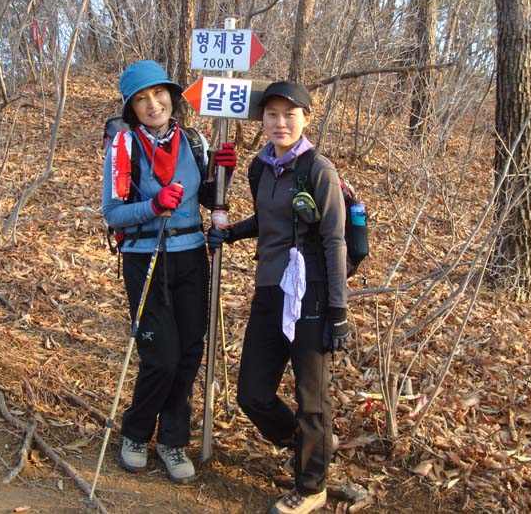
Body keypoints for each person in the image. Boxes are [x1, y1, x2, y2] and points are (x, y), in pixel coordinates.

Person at [207, 82, 349, 514]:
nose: (280, 122)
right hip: (270, 288)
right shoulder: (260, 168)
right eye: (272, 114)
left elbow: (334, 241)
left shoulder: (318, 170)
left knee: (312, 396)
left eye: (290, 114)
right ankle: (309, 444)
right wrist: (231, 232)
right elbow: (268, 220)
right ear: (263, 120)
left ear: (306, 117)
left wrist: (338, 311)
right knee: (252, 393)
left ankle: (311, 486)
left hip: (313, 294)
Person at [101, 60, 236, 484]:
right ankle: (136, 433)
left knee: (189, 354)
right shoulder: (123, 148)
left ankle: (172, 440)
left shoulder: (193, 142)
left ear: (171, 98)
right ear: (132, 110)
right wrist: (153, 206)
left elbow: (209, 200)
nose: (153, 104)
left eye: (158, 95)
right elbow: (112, 213)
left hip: (192, 255)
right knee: (161, 356)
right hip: (146, 258)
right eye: (141, 100)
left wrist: (223, 173)